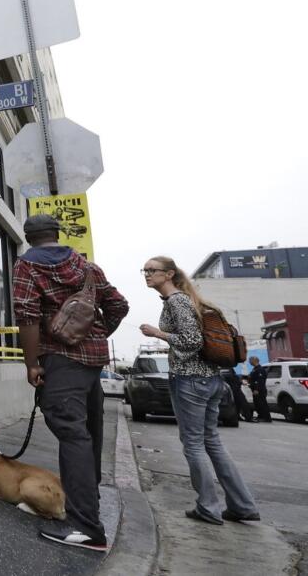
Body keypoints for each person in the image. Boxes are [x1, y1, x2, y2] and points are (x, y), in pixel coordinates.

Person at [13, 213, 129, 552]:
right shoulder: (88, 268)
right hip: (93, 362)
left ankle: (87, 528)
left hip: (60, 362)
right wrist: (95, 333)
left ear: (29, 237)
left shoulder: (27, 267)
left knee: (72, 435)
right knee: (90, 431)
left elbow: (27, 316)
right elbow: (118, 304)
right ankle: (88, 499)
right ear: (57, 233)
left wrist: (32, 363)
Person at [140, 256, 262, 525]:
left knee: (194, 445)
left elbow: (192, 341)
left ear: (169, 273)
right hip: (210, 380)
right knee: (212, 443)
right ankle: (242, 505)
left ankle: (208, 507)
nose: (147, 274)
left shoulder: (177, 301)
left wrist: (157, 334)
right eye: (144, 270)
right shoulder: (188, 300)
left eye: (152, 270)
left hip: (190, 381)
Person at [245, 356, 273, 423]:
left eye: (250, 360)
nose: (249, 362)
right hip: (255, 389)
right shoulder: (254, 369)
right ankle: (260, 416)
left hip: (259, 390)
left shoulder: (260, 369)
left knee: (262, 404)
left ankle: (266, 418)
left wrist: (256, 389)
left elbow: (260, 381)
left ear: (255, 360)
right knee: (257, 404)